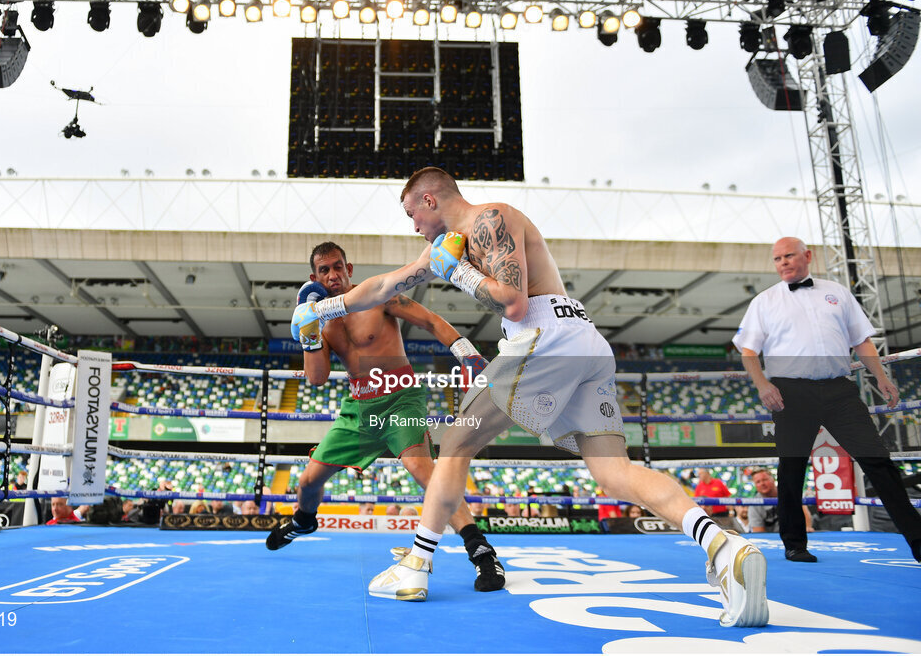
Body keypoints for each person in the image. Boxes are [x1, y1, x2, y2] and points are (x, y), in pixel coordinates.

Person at [290, 167, 767, 626]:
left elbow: (512, 301)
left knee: (456, 442)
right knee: (615, 474)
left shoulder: (489, 218)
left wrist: (459, 273)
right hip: (584, 345)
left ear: (430, 200)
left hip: (544, 338)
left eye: (413, 214)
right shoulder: (451, 243)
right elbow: (384, 285)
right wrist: (320, 309)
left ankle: (415, 566)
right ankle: (722, 546)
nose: (413, 225)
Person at [269, 241, 506, 593]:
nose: (333, 275)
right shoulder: (320, 319)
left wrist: (465, 353)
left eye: (338, 267)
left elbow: (429, 320)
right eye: (324, 270)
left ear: (349, 269)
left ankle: (483, 553)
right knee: (307, 482)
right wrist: (309, 336)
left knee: (423, 472)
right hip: (359, 409)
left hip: (400, 399)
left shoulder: (378, 296)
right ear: (314, 277)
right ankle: (304, 521)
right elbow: (316, 378)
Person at [734, 236, 921, 564]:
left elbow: (861, 340)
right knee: (792, 468)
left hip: (839, 390)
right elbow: (748, 351)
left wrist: (880, 376)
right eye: (777, 259)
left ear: (807, 256)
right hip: (790, 393)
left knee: (878, 461)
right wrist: (763, 385)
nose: (783, 263)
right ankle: (794, 544)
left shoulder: (837, 293)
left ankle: (918, 540)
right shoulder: (765, 301)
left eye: (789, 256)